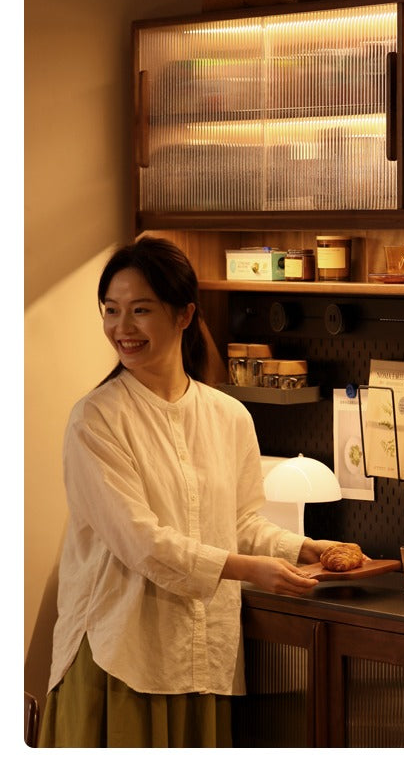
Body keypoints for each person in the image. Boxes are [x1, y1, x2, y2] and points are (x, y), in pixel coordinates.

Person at [39, 236, 347, 747]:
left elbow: (241, 521)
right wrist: (251, 570)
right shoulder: (95, 420)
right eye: (111, 311)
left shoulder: (228, 416)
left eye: (141, 310)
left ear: (183, 316)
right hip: (122, 656)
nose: (122, 328)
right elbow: (143, 543)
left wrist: (306, 549)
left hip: (202, 657)